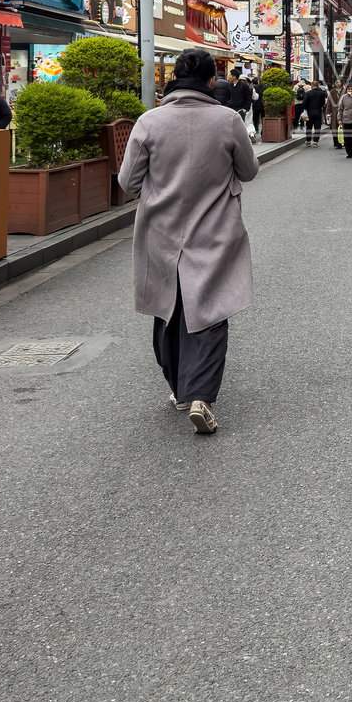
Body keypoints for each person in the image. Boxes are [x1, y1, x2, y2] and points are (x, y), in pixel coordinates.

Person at [117, 46, 258, 436]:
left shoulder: (149, 122)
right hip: (214, 230)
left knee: (169, 309)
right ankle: (200, 396)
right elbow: (248, 171)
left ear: (175, 77)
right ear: (212, 80)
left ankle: (179, 389)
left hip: (161, 231)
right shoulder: (227, 121)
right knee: (210, 310)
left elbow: (128, 182)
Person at [302, 78, 328, 144]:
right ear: (318, 86)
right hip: (318, 112)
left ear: (312, 86)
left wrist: (305, 108)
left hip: (309, 112)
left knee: (309, 127)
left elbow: (304, 103)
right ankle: (315, 141)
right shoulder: (321, 93)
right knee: (317, 127)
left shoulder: (308, 93)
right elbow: (323, 103)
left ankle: (308, 140)